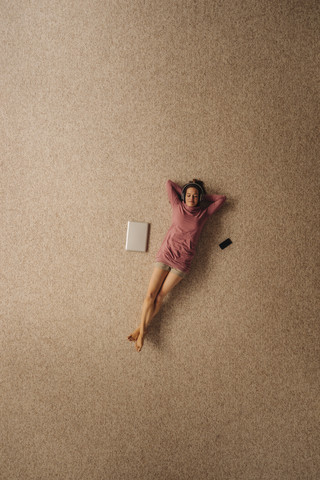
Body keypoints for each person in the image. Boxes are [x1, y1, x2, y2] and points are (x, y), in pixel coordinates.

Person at [128, 178, 226, 352]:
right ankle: (142, 332)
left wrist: (202, 196)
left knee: (160, 297)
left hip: (183, 261)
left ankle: (140, 330)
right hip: (166, 254)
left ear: (200, 198)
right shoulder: (177, 204)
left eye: (195, 196)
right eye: (188, 195)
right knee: (150, 294)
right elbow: (168, 183)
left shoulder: (203, 213)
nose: (191, 198)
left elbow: (222, 199)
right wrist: (187, 190)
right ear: (183, 195)